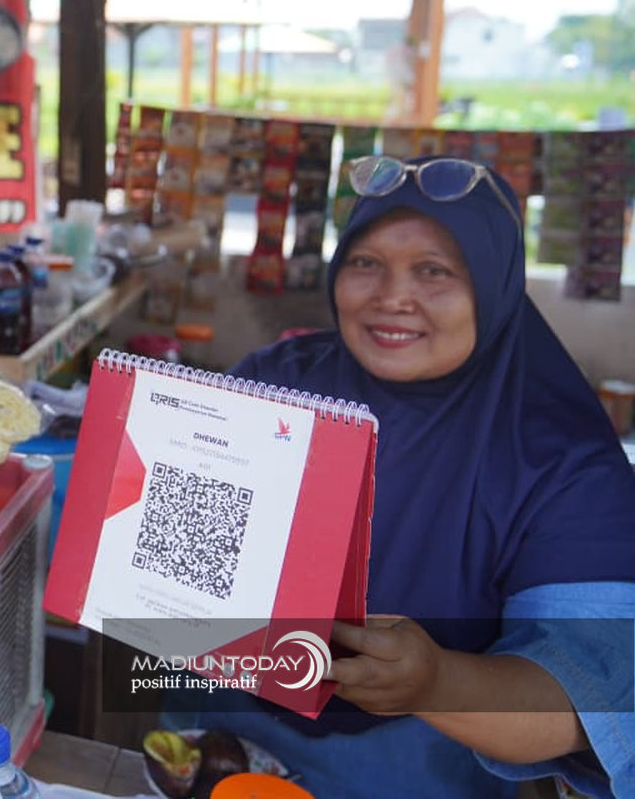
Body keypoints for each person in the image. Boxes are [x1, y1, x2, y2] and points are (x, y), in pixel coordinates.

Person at [161, 155, 635, 798]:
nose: (392, 296)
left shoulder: (563, 460)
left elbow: (586, 695)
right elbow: (181, 569)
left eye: (434, 270)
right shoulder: (275, 381)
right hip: (221, 736)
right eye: (366, 262)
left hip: (416, 769)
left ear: (493, 284)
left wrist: (436, 682)